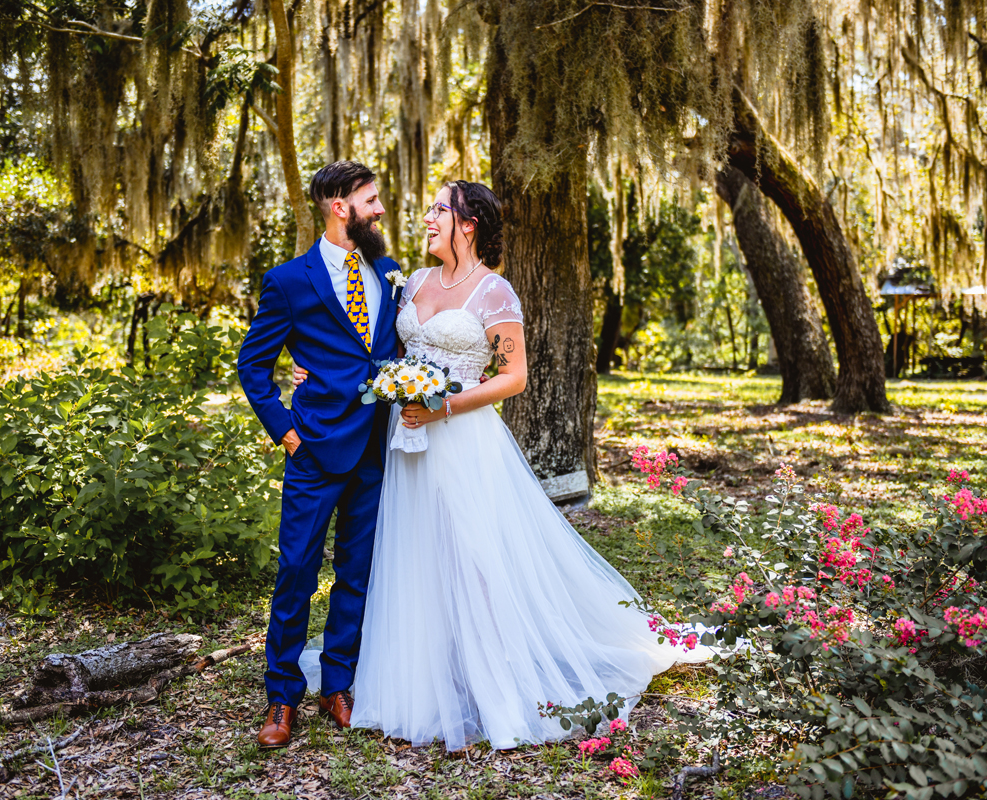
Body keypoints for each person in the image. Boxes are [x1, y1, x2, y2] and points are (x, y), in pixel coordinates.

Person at [296, 180, 712, 750]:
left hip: (464, 441)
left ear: (468, 225)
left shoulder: (496, 293)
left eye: (439, 210)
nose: (427, 218)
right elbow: (371, 351)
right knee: (413, 552)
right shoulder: (409, 282)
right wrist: (310, 374)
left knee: (474, 556)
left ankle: (487, 677)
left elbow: (513, 378)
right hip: (406, 442)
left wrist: (442, 405)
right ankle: (420, 671)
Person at [236, 160, 401, 748]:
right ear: (341, 206)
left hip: (375, 449)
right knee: (298, 572)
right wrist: (286, 430)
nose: (380, 210)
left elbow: (392, 349)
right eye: (372, 200)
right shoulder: (289, 281)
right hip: (312, 449)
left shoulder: (387, 271)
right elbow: (252, 365)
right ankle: (281, 699)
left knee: (355, 573)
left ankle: (339, 684)